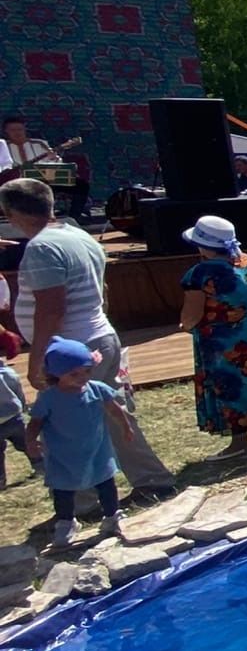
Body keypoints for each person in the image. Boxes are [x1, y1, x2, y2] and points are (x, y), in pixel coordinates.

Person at [0, 178, 173, 501]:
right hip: (99, 336)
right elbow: (103, 290)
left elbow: (50, 310)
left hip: (69, 349)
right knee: (113, 411)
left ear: (11, 213)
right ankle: (153, 481)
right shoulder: (78, 235)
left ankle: (82, 502)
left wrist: (37, 360)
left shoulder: (42, 248)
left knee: (66, 428)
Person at [178, 215, 247, 457]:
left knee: (230, 385)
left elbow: (192, 314)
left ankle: (239, 443)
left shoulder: (201, 273)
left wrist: (186, 324)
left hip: (220, 342)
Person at [26, 337, 136, 546]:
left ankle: (112, 516)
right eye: (74, 374)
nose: (82, 377)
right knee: (63, 490)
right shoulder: (49, 398)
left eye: (86, 371)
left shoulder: (97, 389)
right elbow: (36, 421)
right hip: (63, 453)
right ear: (55, 374)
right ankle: (67, 522)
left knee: (105, 483)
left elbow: (114, 409)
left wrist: (126, 427)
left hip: (97, 449)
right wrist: (30, 440)